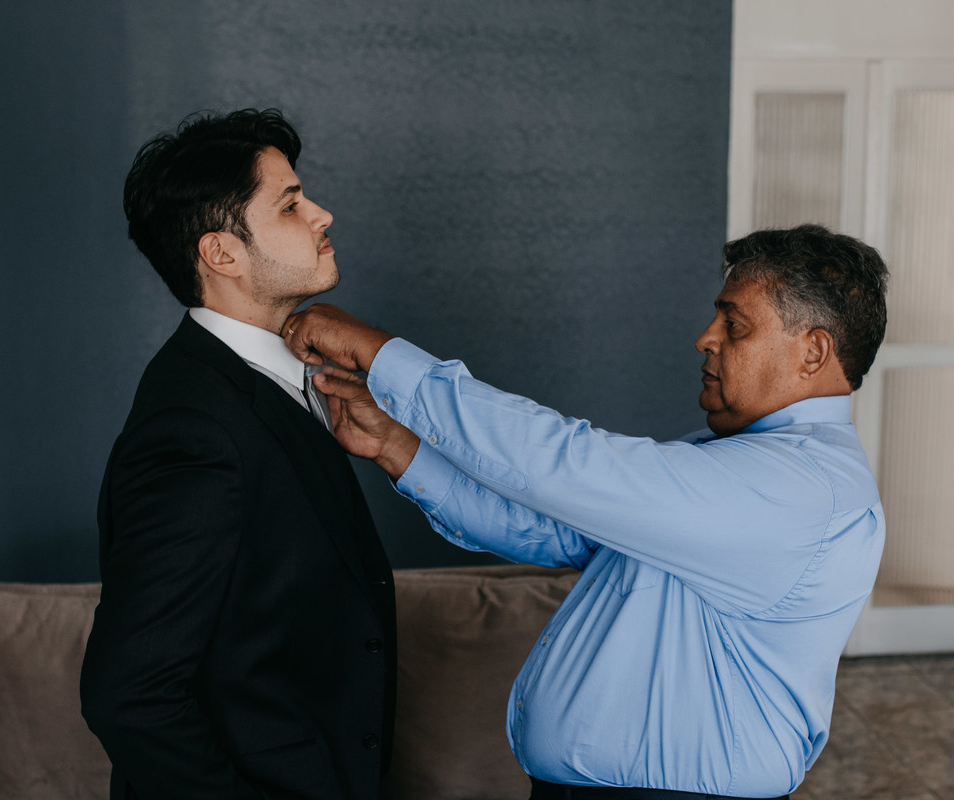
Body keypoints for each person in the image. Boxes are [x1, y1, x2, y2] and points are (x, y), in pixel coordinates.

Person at [283, 224, 889, 799]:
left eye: (735, 326)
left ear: (812, 352)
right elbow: (550, 529)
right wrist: (398, 446)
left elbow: (570, 466)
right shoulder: (733, 465)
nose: (705, 338)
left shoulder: (801, 488)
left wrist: (381, 355)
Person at [80, 108, 396, 800]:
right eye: (290, 205)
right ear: (221, 253)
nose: (321, 214)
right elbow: (128, 694)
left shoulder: (265, 384)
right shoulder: (193, 431)